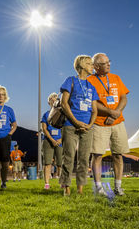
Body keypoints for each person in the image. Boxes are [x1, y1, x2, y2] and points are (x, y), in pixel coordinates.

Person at [87, 53, 130, 196]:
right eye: (105, 63)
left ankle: (118, 187)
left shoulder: (116, 78)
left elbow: (123, 97)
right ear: (96, 66)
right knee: (97, 155)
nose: (109, 64)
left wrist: (116, 112)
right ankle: (98, 188)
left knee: (118, 155)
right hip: (99, 123)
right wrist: (109, 113)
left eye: (108, 62)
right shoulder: (90, 80)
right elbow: (92, 104)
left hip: (117, 122)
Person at [59, 55, 99, 196]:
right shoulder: (70, 81)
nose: (92, 66)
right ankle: (66, 187)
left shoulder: (92, 87)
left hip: (87, 127)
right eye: (89, 63)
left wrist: (89, 125)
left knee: (83, 158)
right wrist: (76, 122)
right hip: (70, 125)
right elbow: (64, 104)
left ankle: (80, 189)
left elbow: (95, 110)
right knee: (68, 157)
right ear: (81, 65)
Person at [41, 92, 63, 189]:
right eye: (52, 98)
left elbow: (66, 128)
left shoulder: (63, 113)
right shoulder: (46, 114)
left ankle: (62, 182)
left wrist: (61, 139)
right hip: (48, 141)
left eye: (56, 98)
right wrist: (51, 140)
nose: (54, 99)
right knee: (48, 163)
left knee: (60, 163)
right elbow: (44, 129)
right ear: (49, 102)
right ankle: (47, 183)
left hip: (60, 141)